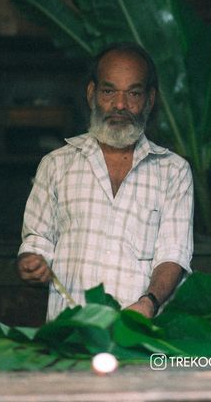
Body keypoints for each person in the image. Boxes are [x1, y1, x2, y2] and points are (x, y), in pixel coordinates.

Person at [16, 42, 194, 321]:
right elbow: (37, 242)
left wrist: (148, 303)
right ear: (92, 94)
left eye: (133, 93)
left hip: (140, 332)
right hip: (71, 332)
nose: (120, 105)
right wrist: (31, 263)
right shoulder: (56, 165)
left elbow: (174, 254)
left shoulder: (174, 172)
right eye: (109, 91)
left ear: (149, 99)